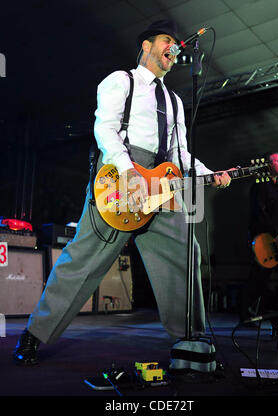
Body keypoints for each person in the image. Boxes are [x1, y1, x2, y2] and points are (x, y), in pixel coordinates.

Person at [13, 20, 232, 365]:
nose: (172, 49)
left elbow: (180, 154)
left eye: (175, 44)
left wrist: (208, 172)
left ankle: (191, 337)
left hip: (163, 180)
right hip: (122, 172)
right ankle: (35, 334)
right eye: (165, 41)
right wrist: (130, 172)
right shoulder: (121, 81)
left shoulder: (174, 101)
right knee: (83, 259)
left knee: (186, 252)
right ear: (146, 46)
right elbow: (105, 128)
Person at [243, 152, 278, 324]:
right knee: (258, 281)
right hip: (266, 242)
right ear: (268, 165)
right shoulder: (260, 186)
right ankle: (247, 316)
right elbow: (259, 214)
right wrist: (275, 234)